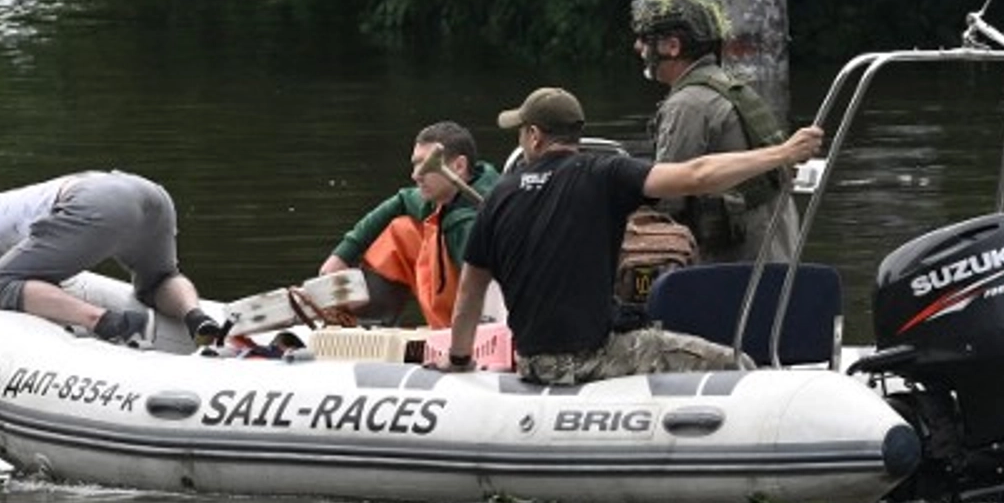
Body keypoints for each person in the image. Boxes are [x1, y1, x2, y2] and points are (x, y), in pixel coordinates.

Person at [444, 86, 824, 384]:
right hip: (592, 359)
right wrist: (782, 153)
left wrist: (459, 362)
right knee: (736, 363)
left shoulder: (499, 196)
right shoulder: (604, 173)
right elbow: (697, 175)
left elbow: (469, 294)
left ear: (533, 136)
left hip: (530, 363)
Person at [0, 174, 228, 348]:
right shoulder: (1, 204)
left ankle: (109, 323)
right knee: (159, 279)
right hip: (147, 192)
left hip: (95, 202)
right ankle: (196, 318)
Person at [628, 0, 793, 262]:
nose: (638, 47)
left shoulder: (688, 105)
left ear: (672, 46)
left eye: (646, 38)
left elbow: (667, 196)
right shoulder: (731, 87)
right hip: (776, 256)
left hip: (733, 271)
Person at [317, 121, 501, 328]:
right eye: (415, 164)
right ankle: (367, 324)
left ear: (458, 166)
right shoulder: (443, 195)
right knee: (401, 231)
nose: (415, 175)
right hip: (462, 303)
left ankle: (449, 334)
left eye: (425, 165)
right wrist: (342, 255)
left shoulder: (471, 223)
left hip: (479, 325)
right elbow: (402, 200)